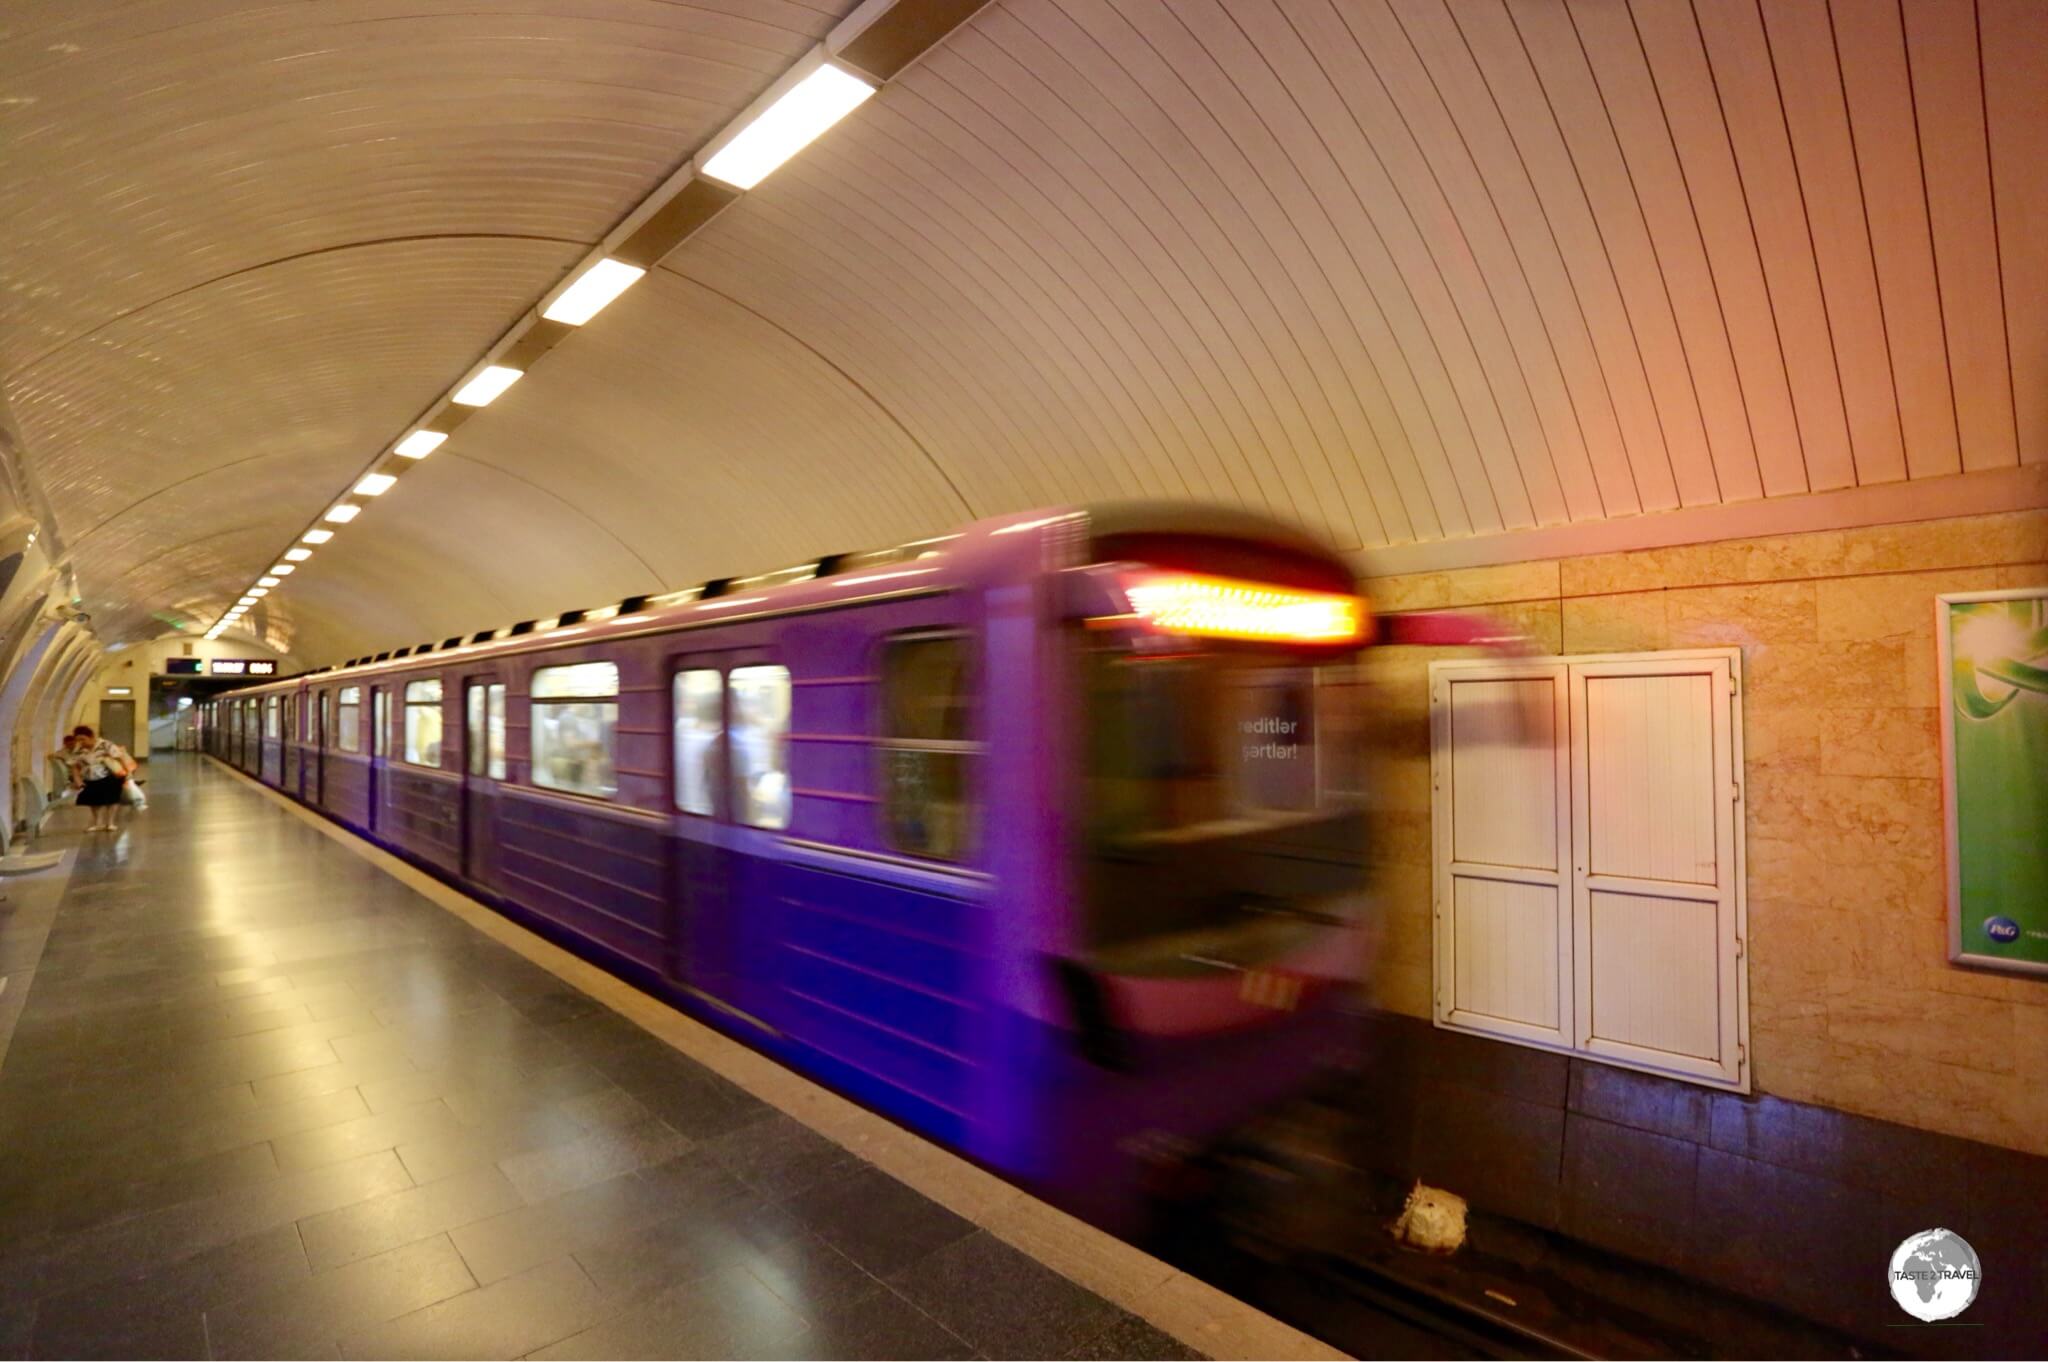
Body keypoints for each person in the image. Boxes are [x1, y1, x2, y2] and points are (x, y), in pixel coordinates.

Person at [65, 724, 135, 832]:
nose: (81, 742)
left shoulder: (105, 745)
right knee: (94, 801)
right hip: (90, 777)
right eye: (78, 740)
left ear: (91, 737)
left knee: (112, 799)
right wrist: (77, 780)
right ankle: (97, 823)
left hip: (109, 775)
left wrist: (127, 773)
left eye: (83, 739)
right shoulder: (78, 749)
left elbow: (120, 758)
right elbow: (74, 766)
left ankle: (110, 823)